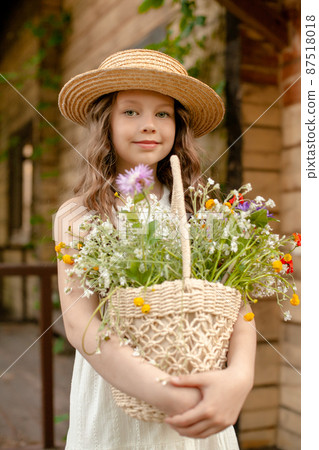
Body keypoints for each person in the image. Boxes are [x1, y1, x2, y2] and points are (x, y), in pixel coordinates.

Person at [55, 49, 256, 449]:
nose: (149, 125)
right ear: (105, 123)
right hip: (120, 391)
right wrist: (165, 393)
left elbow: (238, 303)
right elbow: (80, 324)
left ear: (177, 127)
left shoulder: (201, 208)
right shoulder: (79, 215)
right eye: (131, 112)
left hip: (201, 383)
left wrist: (239, 378)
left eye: (162, 114)